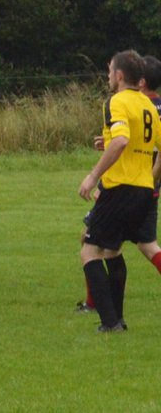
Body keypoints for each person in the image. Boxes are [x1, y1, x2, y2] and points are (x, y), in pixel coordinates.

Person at [78, 50, 161, 331]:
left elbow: (123, 140)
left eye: (110, 71)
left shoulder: (116, 101)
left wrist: (92, 176)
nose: (108, 76)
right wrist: (149, 175)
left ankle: (110, 321)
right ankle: (118, 320)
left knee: (89, 252)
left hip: (119, 187)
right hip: (144, 189)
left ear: (120, 75)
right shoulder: (148, 105)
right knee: (112, 251)